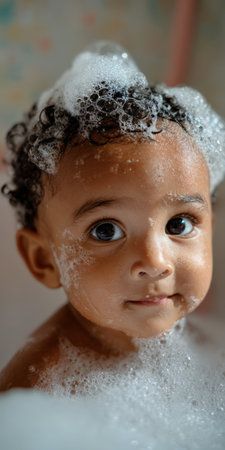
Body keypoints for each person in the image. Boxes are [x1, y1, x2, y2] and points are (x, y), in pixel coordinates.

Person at [0, 41, 224, 393]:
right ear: (45, 259)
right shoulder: (39, 387)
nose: (155, 262)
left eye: (178, 224)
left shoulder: (201, 344)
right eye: (106, 230)